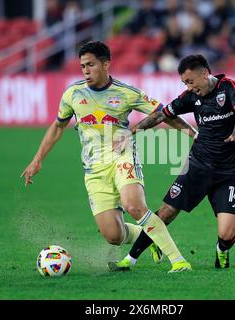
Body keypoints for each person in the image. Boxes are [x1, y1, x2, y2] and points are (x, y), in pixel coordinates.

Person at [20, 41, 196, 273]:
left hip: (122, 156)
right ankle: (149, 237)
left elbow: (163, 113)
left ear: (105, 64)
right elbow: (58, 126)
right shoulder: (73, 94)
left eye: (90, 64)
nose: (85, 70)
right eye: (82, 65)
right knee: (113, 236)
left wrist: (193, 134)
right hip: (94, 170)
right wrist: (37, 159)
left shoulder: (126, 93)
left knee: (133, 205)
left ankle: (179, 262)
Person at [109, 54, 235, 271]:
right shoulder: (190, 97)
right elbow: (162, 115)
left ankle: (222, 250)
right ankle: (130, 259)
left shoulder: (229, 86)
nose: (189, 87)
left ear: (205, 73)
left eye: (191, 81)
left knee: (227, 233)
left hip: (229, 171)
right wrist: (132, 132)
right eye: (185, 83)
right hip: (198, 166)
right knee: (166, 211)